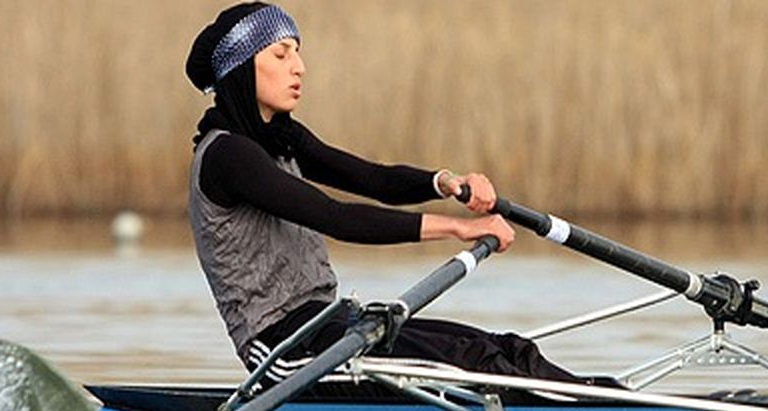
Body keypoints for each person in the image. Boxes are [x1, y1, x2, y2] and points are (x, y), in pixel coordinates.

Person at [185, 2, 586, 385]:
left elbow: (374, 180)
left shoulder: (283, 139)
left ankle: (622, 409)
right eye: (281, 54)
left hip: (330, 326)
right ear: (240, 67)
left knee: (501, 349)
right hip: (283, 354)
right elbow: (336, 218)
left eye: (298, 53)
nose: (300, 68)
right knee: (473, 365)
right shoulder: (227, 155)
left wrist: (446, 182)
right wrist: (460, 229)